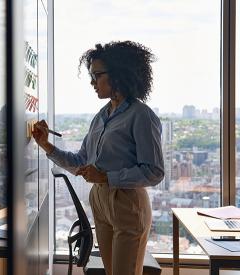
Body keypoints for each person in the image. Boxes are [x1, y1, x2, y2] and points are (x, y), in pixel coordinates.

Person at [32, 41, 164, 275]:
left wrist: (106, 176)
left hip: (127, 203)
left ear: (119, 74)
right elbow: (81, 161)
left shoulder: (141, 115)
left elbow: (154, 171)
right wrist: (46, 145)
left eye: (97, 75)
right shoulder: (101, 117)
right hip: (100, 201)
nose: (92, 83)